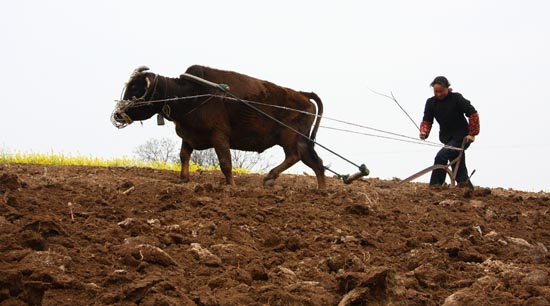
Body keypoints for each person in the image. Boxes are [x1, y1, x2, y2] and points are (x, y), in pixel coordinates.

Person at [419, 76, 480, 188]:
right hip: (447, 138)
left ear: (447, 88)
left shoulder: (456, 98)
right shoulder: (431, 103)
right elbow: (427, 120)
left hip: (462, 137)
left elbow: (473, 114)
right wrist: (424, 132)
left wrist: (472, 134)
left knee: (441, 156)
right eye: (436, 91)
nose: (438, 94)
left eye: (441, 91)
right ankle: (465, 187)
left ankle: (436, 185)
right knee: (457, 162)